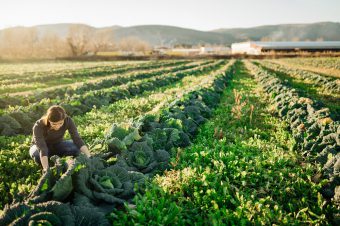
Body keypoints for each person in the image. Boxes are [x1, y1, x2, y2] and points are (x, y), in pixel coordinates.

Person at [29, 105, 91, 172]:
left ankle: (55, 158)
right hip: (39, 147)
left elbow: (77, 139)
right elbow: (42, 148)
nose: (57, 126)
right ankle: (48, 162)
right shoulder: (38, 125)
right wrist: (46, 169)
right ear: (48, 120)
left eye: (60, 123)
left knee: (76, 147)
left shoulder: (68, 120)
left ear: (64, 119)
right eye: (54, 124)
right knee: (37, 155)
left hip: (57, 144)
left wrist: (89, 157)